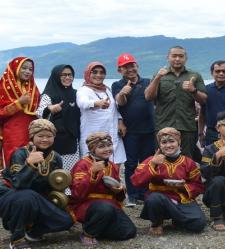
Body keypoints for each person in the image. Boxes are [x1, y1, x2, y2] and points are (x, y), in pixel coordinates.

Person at [0, 119, 73, 249]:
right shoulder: (20, 154)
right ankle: (17, 238)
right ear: (32, 137)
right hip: (12, 195)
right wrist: (30, 164)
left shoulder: (56, 158)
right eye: (40, 136)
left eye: (49, 136)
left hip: (36, 198)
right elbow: (18, 184)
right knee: (26, 195)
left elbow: (55, 187)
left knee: (66, 220)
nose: (45, 139)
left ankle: (32, 231)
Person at [131, 127, 206, 236]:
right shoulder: (152, 160)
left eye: (172, 141)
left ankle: (177, 219)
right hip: (159, 200)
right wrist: (153, 164)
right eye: (164, 142)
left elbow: (198, 185)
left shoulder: (188, 162)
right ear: (159, 145)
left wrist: (183, 187)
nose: (168, 145)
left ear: (179, 142)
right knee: (154, 198)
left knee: (198, 224)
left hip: (181, 199)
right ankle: (157, 223)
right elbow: (136, 181)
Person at [70, 132, 136, 245]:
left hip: (110, 205)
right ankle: (88, 233)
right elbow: (77, 193)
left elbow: (119, 196)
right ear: (92, 149)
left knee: (129, 231)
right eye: (101, 147)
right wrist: (93, 173)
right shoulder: (82, 164)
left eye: (109, 145)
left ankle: (99, 228)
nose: (107, 149)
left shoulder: (112, 165)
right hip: (88, 205)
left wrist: (119, 190)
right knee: (104, 208)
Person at [144, 46, 207, 161]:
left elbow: (204, 100)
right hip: (164, 126)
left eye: (181, 56)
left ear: (186, 58)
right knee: (163, 159)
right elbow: (148, 96)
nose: (177, 59)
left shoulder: (194, 75)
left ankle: (187, 180)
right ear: (168, 58)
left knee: (187, 160)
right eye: (174, 56)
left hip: (187, 126)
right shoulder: (159, 75)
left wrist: (193, 90)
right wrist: (157, 78)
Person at [111, 53, 155, 206]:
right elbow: (120, 103)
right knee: (130, 164)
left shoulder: (148, 82)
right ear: (119, 70)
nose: (130, 69)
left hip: (149, 129)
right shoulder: (117, 85)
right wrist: (123, 93)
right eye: (125, 67)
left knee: (146, 162)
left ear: (137, 66)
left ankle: (144, 192)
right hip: (130, 131)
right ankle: (133, 193)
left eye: (132, 65)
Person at [76, 62, 126, 165]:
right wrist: (96, 103)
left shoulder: (106, 89)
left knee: (115, 164)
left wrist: (120, 121)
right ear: (88, 74)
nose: (98, 75)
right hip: (93, 134)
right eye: (94, 72)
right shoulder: (83, 90)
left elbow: (114, 109)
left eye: (102, 72)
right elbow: (82, 103)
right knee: (92, 166)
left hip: (112, 134)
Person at [37, 64, 80, 171]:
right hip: (55, 142)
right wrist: (50, 109)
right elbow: (39, 112)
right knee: (56, 175)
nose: (67, 77)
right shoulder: (48, 94)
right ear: (56, 76)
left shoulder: (76, 93)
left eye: (70, 75)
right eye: (63, 75)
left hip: (73, 141)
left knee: (71, 174)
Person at [0, 57, 40, 166]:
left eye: (30, 69)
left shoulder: (34, 89)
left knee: (30, 161)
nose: (27, 72)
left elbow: (36, 110)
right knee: (14, 161)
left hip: (31, 132)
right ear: (15, 68)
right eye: (24, 68)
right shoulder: (2, 88)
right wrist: (18, 103)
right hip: (11, 134)